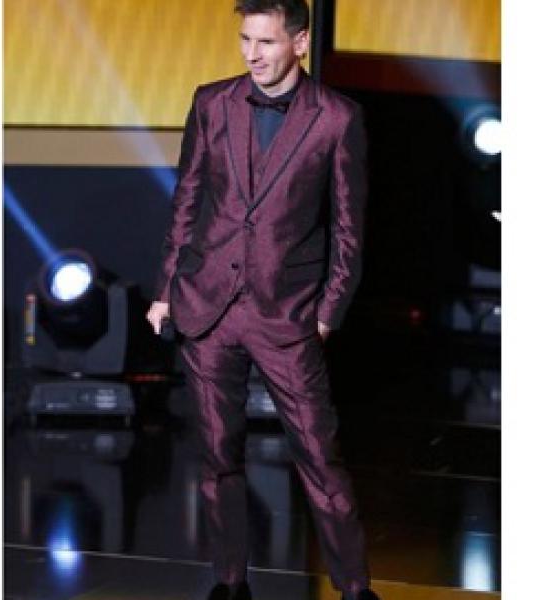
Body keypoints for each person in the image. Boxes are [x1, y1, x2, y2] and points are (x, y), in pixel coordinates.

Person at [147, 2, 379, 599]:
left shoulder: (337, 118)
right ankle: (230, 582)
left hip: (287, 314)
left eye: (267, 42)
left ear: (299, 43)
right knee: (217, 456)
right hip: (207, 306)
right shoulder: (212, 102)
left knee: (319, 458)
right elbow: (187, 199)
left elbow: (349, 228)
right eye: (245, 40)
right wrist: (166, 290)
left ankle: (355, 588)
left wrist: (327, 313)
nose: (252, 54)